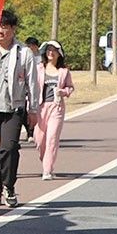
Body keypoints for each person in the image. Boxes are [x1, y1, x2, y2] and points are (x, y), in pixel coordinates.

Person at [0, 10, 41, 208]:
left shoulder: (23, 52)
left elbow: (32, 83)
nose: (1, 31)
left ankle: (9, 186)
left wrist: (33, 110)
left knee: (8, 147)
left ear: (13, 29)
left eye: (5, 27)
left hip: (13, 107)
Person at [34, 40, 74, 180]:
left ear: (59, 54)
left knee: (52, 139)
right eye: (48, 50)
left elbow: (70, 87)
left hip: (56, 107)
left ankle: (47, 170)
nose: (51, 53)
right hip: (40, 107)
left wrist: (63, 92)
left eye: (54, 50)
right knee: (39, 140)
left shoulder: (63, 71)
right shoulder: (38, 68)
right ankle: (45, 159)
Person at [22, 36, 41, 141]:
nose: (29, 48)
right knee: (23, 112)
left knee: (34, 111)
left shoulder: (41, 58)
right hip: (25, 88)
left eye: (31, 46)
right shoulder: (24, 56)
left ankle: (33, 132)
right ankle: (30, 132)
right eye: (28, 46)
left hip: (37, 87)